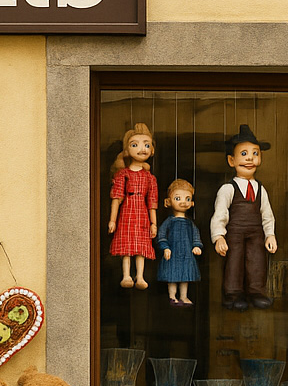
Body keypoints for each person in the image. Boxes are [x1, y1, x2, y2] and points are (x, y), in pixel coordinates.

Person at [209, 124, 277, 310]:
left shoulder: (261, 190)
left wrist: (270, 234)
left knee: (257, 261)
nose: (250, 159)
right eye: (244, 154)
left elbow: (267, 215)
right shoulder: (228, 189)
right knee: (234, 261)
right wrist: (218, 236)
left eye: (255, 153)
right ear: (231, 160)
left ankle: (256, 292)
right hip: (235, 233)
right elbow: (220, 214)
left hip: (256, 233)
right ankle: (233, 294)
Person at [106, 122, 158, 289]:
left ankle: (140, 276)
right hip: (127, 211)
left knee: (141, 246)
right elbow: (117, 197)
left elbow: (152, 202)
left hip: (142, 213)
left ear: (152, 150)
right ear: (127, 150)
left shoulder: (150, 178)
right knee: (127, 246)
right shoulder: (123, 174)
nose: (142, 149)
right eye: (135, 145)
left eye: (146, 145)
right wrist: (112, 220)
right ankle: (127, 275)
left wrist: (154, 223)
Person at [156, 178, 202, 306]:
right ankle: (172, 296)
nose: (183, 202)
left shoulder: (190, 223)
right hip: (172, 253)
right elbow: (161, 235)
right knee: (172, 275)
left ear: (192, 202)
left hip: (186, 254)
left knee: (185, 276)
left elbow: (195, 236)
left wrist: (197, 246)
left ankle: (184, 296)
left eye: (187, 199)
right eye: (178, 198)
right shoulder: (169, 221)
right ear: (168, 202)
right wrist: (165, 247)